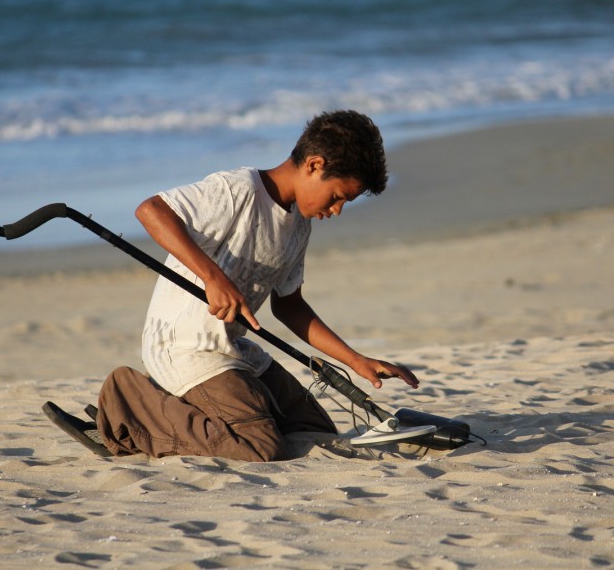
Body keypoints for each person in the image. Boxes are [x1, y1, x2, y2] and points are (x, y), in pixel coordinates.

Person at [96, 110, 419, 462]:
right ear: (313, 165)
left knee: (315, 431)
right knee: (260, 449)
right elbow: (152, 210)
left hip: (234, 351)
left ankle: (189, 407)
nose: (338, 210)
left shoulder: (298, 226)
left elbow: (290, 306)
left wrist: (356, 360)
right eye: (337, 196)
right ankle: (127, 399)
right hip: (185, 349)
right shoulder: (239, 191)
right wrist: (213, 278)